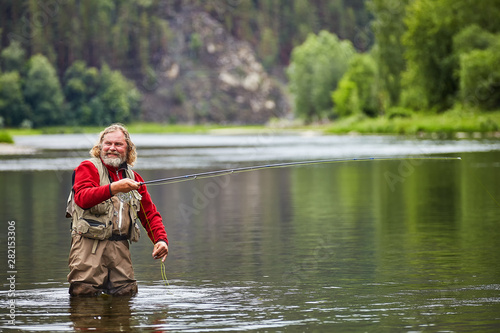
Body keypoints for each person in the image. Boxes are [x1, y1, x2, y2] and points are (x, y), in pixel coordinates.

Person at [66, 123, 168, 296]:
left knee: (126, 295)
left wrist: (160, 239)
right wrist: (115, 188)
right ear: (100, 147)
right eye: (108, 144)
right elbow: (82, 198)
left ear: (128, 150)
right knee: (84, 297)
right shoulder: (88, 168)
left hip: (120, 248)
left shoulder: (133, 178)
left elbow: (149, 213)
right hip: (88, 246)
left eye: (118, 144)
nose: (112, 148)